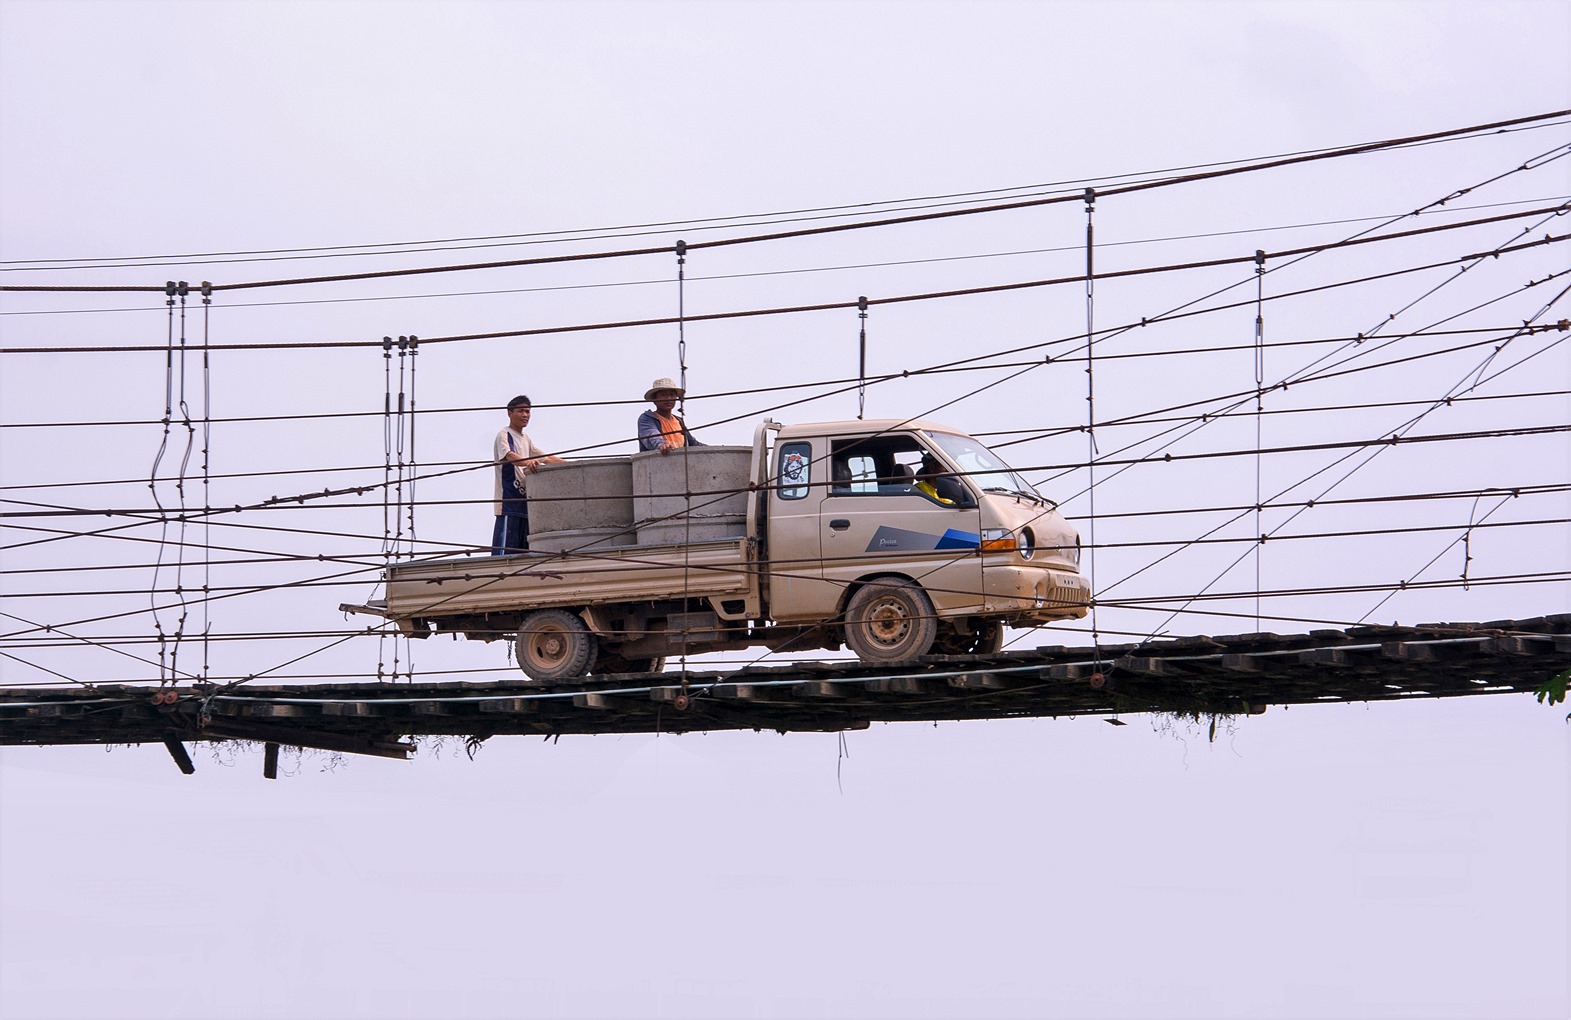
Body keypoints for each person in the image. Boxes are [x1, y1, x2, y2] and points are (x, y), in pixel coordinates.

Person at [491, 395, 562, 554]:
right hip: (508, 501)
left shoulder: (526, 439)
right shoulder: (505, 434)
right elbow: (509, 456)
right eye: (521, 411)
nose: (525, 415)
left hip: (525, 502)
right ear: (509, 413)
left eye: (528, 411)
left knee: (524, 552)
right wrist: (528, 462)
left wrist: (573, 466)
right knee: (504, 553)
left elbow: (547, 458)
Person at [636, 377, 706, 454]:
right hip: (658, 463)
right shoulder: (647, 419)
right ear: (654, 399)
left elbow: (694, 444)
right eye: (663, 395)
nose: (668, 398)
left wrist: (714, 450)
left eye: (672, 395)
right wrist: (661, 445)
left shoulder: (679, 421)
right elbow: (651, 435)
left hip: (682, 463)